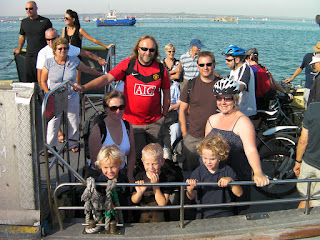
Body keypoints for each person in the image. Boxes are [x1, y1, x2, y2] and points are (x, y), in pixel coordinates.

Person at [74, 35, 171, 162]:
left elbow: (166, 94)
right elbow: (107, 78)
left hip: (155, 123)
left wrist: (164, 115)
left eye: (151, 50)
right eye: (144, 49)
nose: (147, 52)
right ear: (138, 49)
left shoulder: (160, 69)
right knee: (136, 158)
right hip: (133, 124)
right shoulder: (128, 64)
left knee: (156, 158)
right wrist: (84, 87)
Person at [205, 78, 269, 209]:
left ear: (235, 98)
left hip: (236, 177)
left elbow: (250, 150)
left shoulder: (243, 122)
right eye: (219, 98)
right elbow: (206, 149)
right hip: (214, 177)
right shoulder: (211, 120)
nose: (222, 102)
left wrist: (257, 172)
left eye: (227, 98)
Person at [40, 38, 101, 153]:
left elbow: (87, 69)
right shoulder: (48, 62)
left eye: (66, 48)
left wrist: (102, 75)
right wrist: (48, 93)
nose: (63, 51)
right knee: (53, 121)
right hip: (55, 96)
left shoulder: (74, 60)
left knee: (72, 120)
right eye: (60, 48)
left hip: (71, 95)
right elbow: (43, 81)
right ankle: (50, 147)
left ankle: (72, 143)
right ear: (55, 50)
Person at [179, 51, 220, 171]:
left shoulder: (220, 84)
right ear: (197, 66)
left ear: (214, 65)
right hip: (193, 137)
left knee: (214, 173)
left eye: (208, 64)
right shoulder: (191, 85)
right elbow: (182, 110)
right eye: (202, 65)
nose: (205, 67)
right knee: (190, 173)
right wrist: (184, 134)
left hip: (215, 137)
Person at [186, 134, 243, 219]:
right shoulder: (198, 172)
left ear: (220, 157)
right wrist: (190, 189)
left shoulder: (227, 170)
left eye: (212, 159)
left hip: (225, 212)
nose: (208, 162)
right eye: (204, 158)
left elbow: (239, 193)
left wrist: (231, 181)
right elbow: (191, 196)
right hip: (203, 213)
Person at [89, 91, 136, 183]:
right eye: (113, 108)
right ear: (106, 109)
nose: (118, 111)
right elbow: (95, 161)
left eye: (121, 107)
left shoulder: (127, 126)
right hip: (102, 175)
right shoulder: (98, 129)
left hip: (121, 174)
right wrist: (111, 177)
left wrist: (130, 176)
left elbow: (132, 153)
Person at [293, 55, 320, 208]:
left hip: (309, 162)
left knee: (305, 199)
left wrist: (298, 162)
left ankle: (294, 227)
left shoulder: (312, 109)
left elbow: (303, 140)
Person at [37, 28, 105, 87]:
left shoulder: (72, 56)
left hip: (71, 89)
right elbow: (40, 73)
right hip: (52, 89)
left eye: (53, 39)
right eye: (48, 40)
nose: (50, 42)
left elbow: (85, 63)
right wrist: (43, 90)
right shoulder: (43, 54)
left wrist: (99, 61)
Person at [131, 143, 174, 223]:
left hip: (161, 219)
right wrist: (139, 193)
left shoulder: (167, 178)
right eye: (147, 164)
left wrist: (155, 187)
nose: (151, 167)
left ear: (162, 162)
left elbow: (162, 203)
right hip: (142, 218)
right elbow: (134, 200)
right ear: (142, 161)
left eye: (154, 164)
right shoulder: (139, 176)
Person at [14, 1, 52, 83]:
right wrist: (19, 49)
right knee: (30, 80)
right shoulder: (24, 22)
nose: (28, 10)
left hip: (44, 55)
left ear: (36, 9)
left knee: (44, 80)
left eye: (31, 8)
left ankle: (44, 95)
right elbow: (22, 36)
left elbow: (52, 37)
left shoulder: (45, 21)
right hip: (30, 55)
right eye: (26, 9)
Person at [222, 45, 257, 117]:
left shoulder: (245, 68)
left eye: (228, 60)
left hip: (245, 112)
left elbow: (242, 85)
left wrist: (226, 90)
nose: (226, 62)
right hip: (236, 110)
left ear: (237, 60)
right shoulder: (234, 70)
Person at [161, 44, 182, 151]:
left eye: (173, 51)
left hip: (174, 88)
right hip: (167, 87)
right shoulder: (161, 63)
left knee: (174, 127)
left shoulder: (178, 62)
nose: (171, 53)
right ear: (165, 52)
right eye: (169, 52)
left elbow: (178, 76)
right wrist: (173, 72)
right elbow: (161, 75)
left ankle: (172, 149)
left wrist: (166, 74)